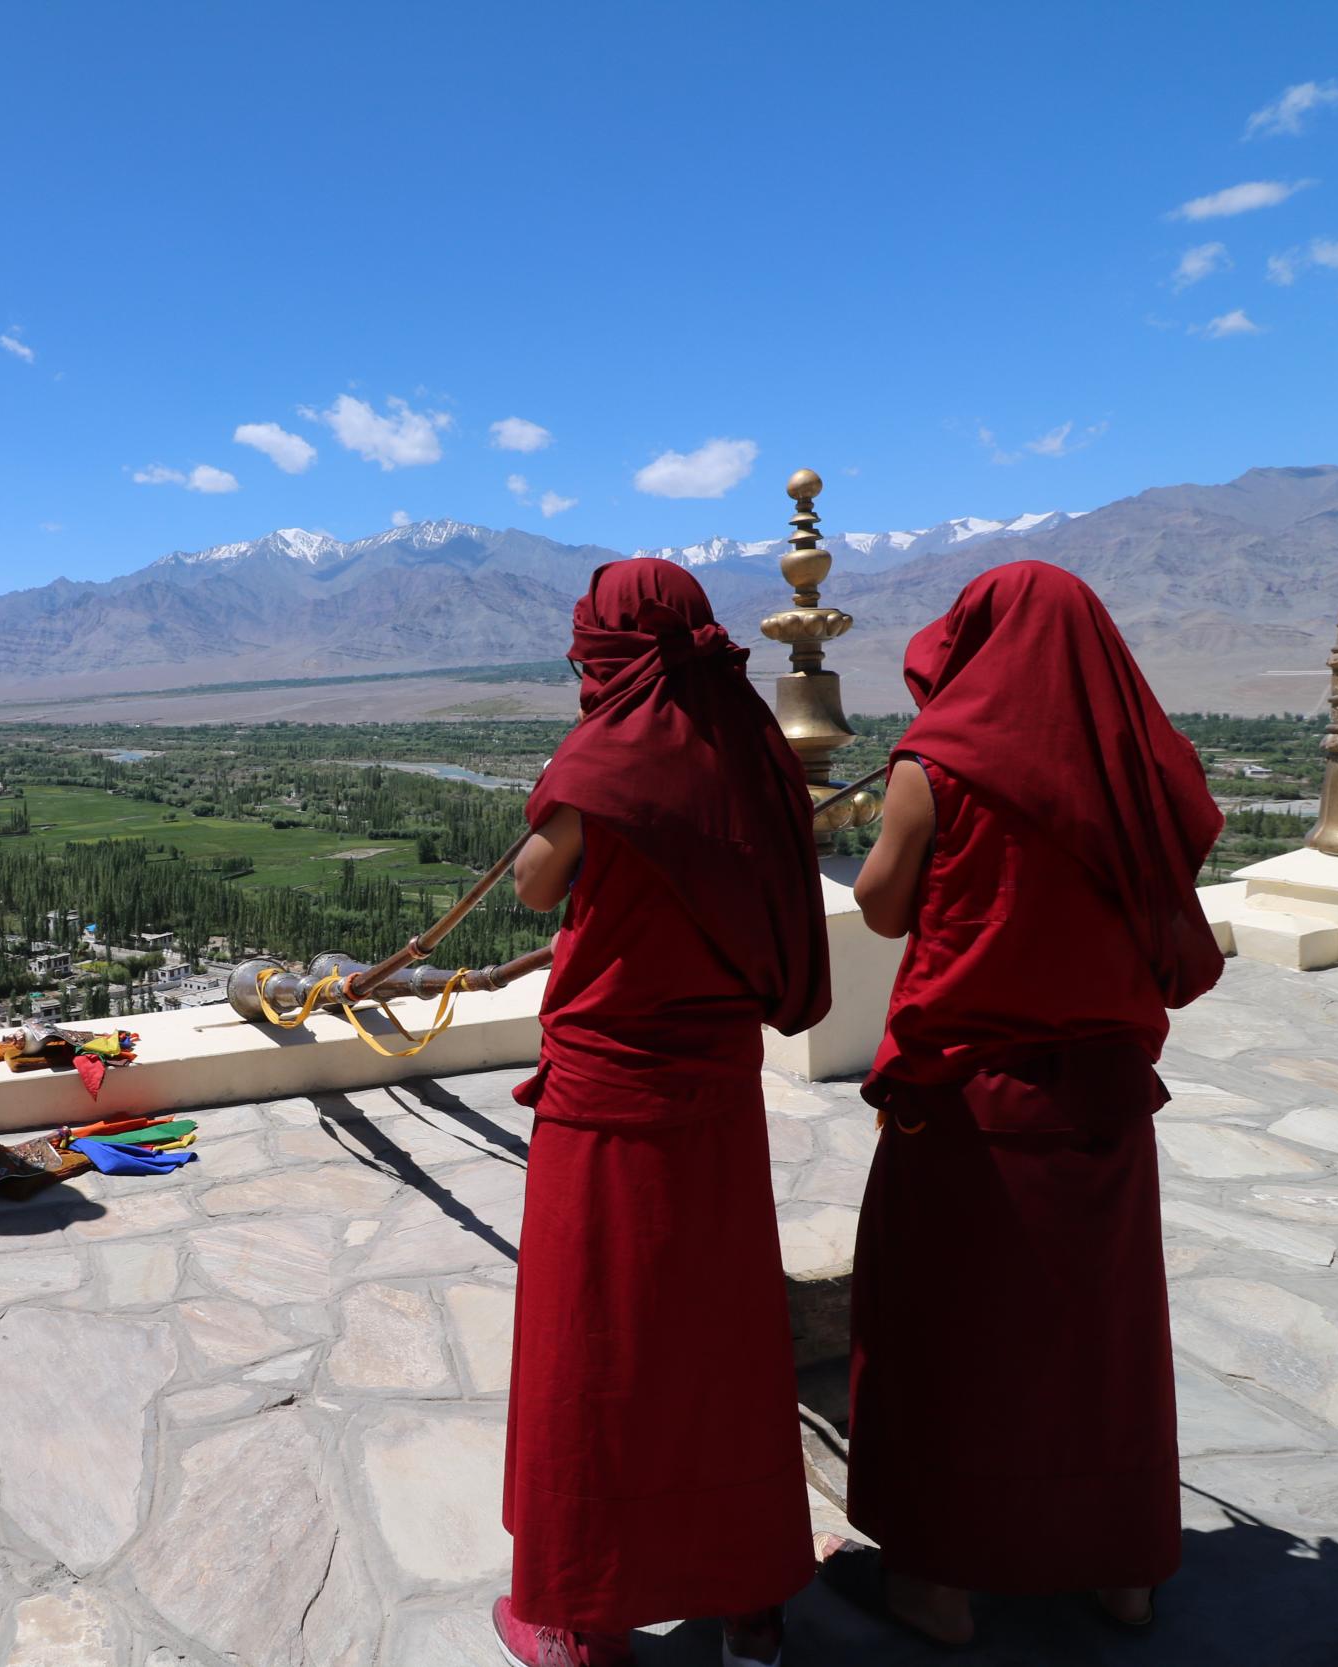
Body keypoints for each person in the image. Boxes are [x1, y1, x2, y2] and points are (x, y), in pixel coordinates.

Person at [841, 561, 1224, 1645]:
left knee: (948, 1335)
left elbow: (878, 908)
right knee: (1096, 1340)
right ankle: (1120, 1571)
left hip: (968, 1107)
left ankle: (939, 1587)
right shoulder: (1137, 765)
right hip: (1103, 1100)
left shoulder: (938, 763)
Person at [495, 557, 831, 1667]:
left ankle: (578, 1610)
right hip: (719, 1093)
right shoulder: (752, 744)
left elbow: (534, 885)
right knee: (722, 1343)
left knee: (595, 1343)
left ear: (609, 647)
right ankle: (751, 1606)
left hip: (611, 1102)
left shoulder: (609, 754)